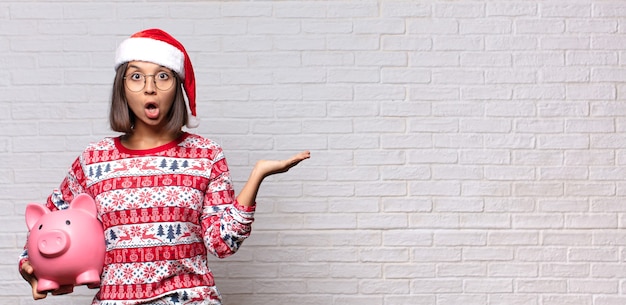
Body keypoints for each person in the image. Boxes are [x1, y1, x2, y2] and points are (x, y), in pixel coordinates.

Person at [18, 28, 310, 304]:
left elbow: (222, 242)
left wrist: (258, 175)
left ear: (177, 86)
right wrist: (31, 267)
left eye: (162, 76)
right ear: (122, 87)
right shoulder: (94, 159)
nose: (150, 89)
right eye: (136, 77)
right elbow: (48, 224)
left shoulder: (205, 154)